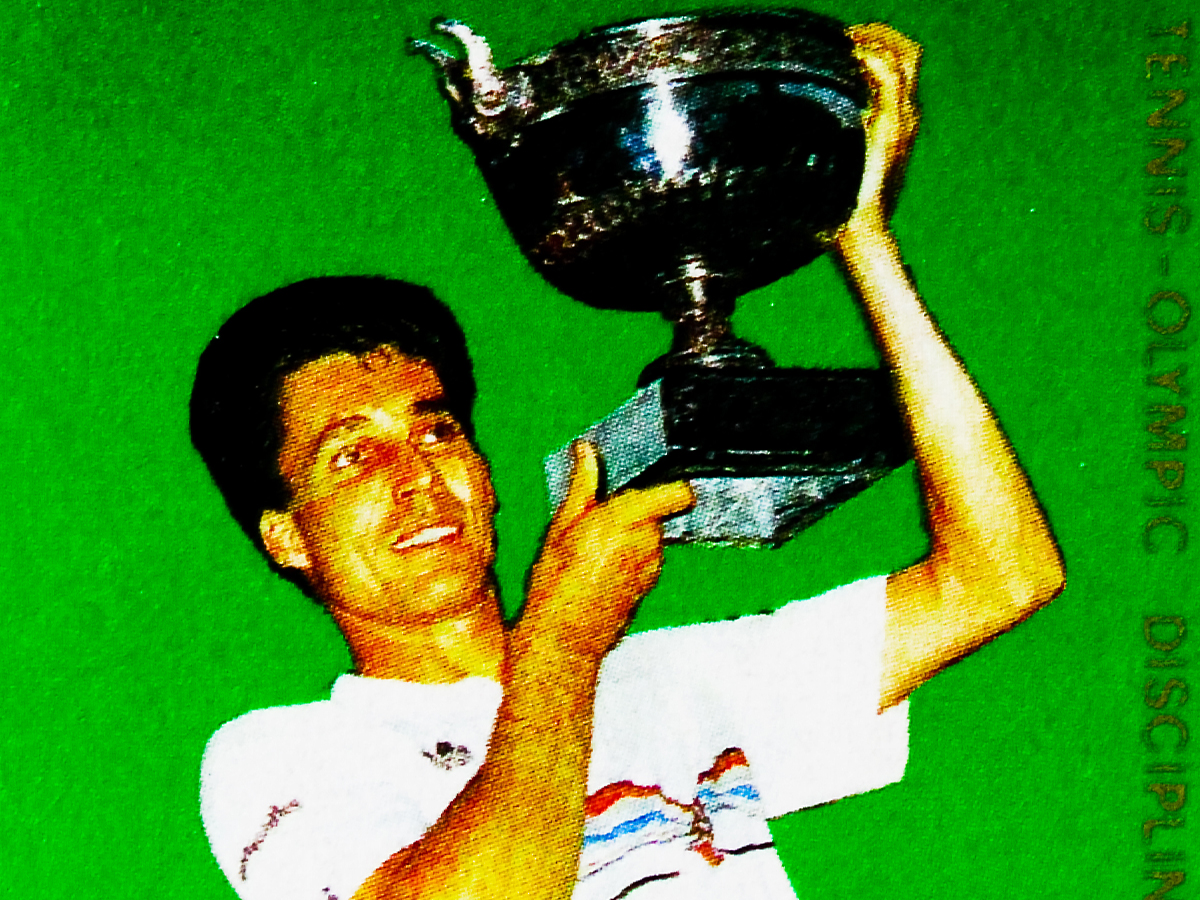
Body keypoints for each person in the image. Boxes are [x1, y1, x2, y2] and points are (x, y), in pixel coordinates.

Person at [192, 24, 1064, 900]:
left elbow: (1001, 574)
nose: (415, 477)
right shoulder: (282, 757)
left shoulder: (671, 681)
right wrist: (563, 636)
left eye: (435, 433)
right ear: (286, 536)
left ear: (483, 474)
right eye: (353, 456)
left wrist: (862, 237)